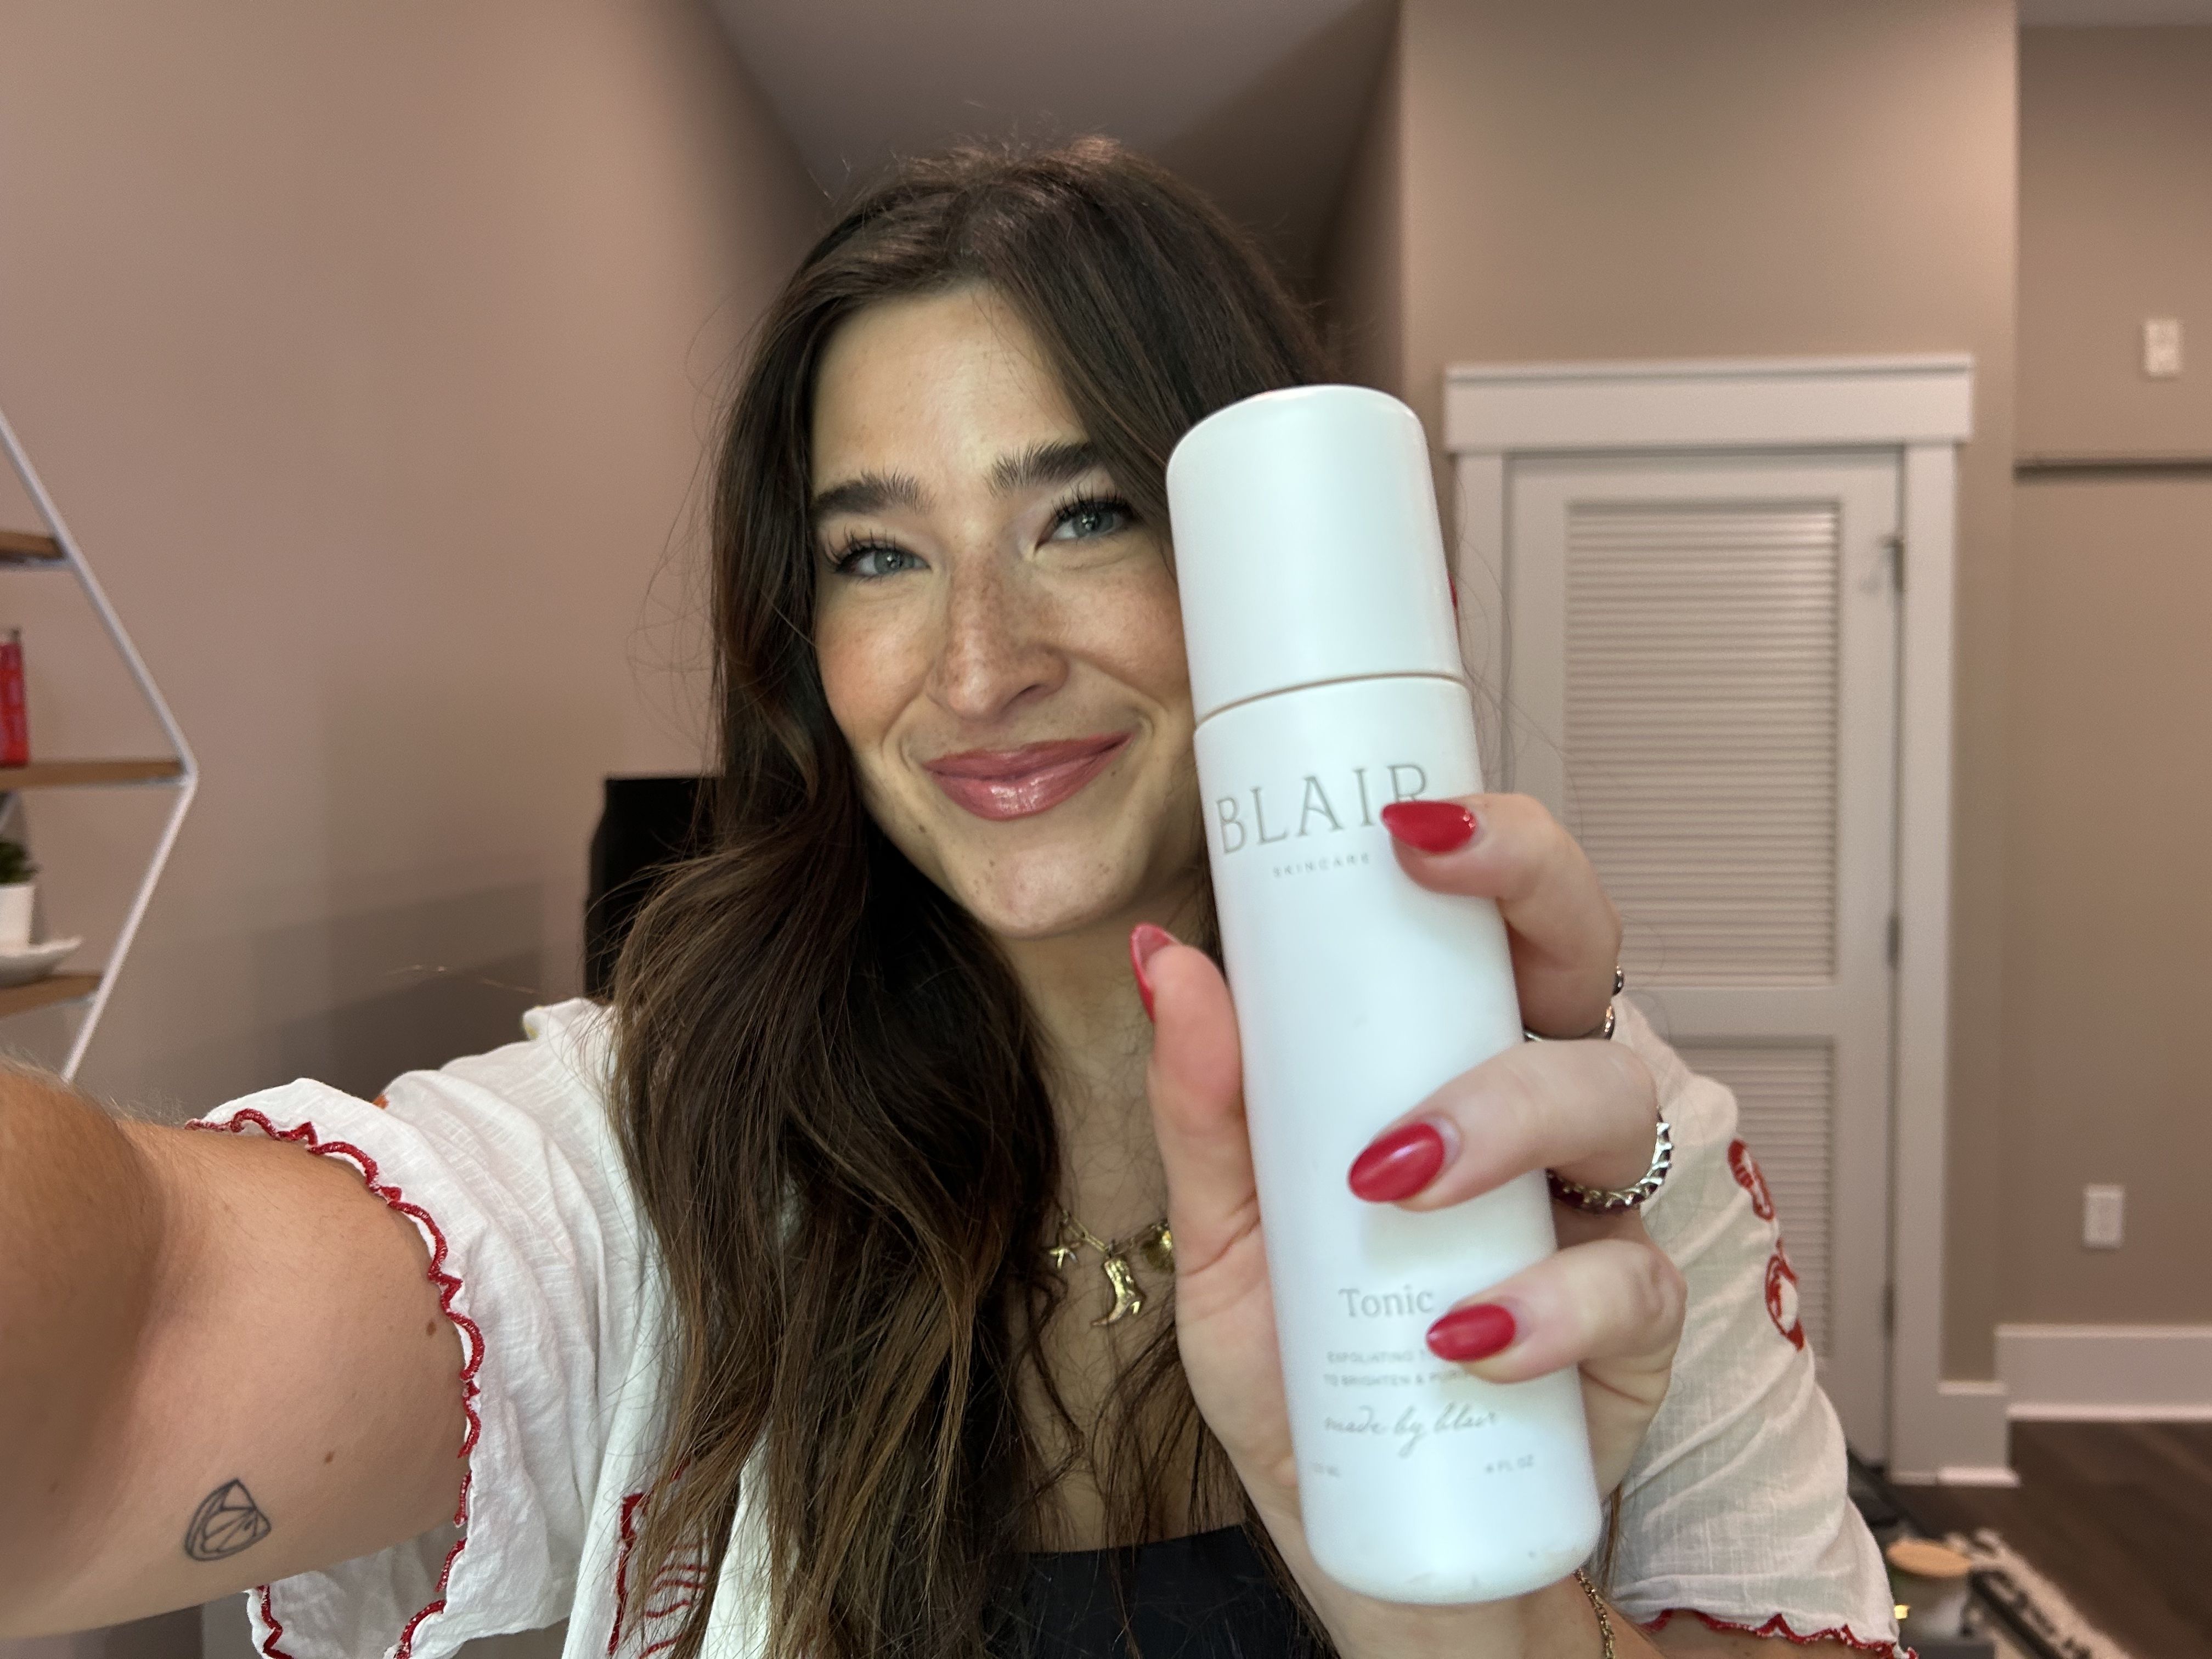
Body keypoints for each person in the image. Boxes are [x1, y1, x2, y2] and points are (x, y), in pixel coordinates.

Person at [0, 140, 1900, 1659]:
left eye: (1085, 514)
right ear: (801, 636)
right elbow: (153, 1319)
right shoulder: (666, 1137)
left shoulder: (1590, 1156)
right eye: (879, 554)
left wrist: (1484, 1636)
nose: (980, 666)